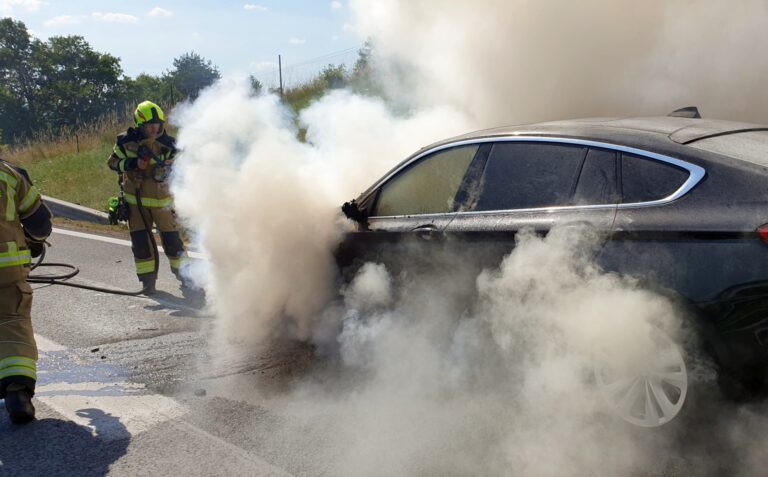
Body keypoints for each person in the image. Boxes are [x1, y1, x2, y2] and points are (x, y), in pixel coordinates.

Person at [107, 101, 189, 294]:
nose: (154, 128)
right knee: (141, 245)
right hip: (135, 204)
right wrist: (133, 163)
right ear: (139, 124)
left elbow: (185, 164)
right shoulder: (125, 142)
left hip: (163, 205)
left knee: (172, 243)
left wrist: (173, 165)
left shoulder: (170, 145)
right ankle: (147, 281)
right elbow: (112, 163)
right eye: (149, 125)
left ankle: (188, 280)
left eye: (157, 124)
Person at [0, 159, 52, 424]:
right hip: (6, 271)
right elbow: (40, 222)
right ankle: (17, 391)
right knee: (13, 322)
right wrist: (34, 242)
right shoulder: (10, 174)